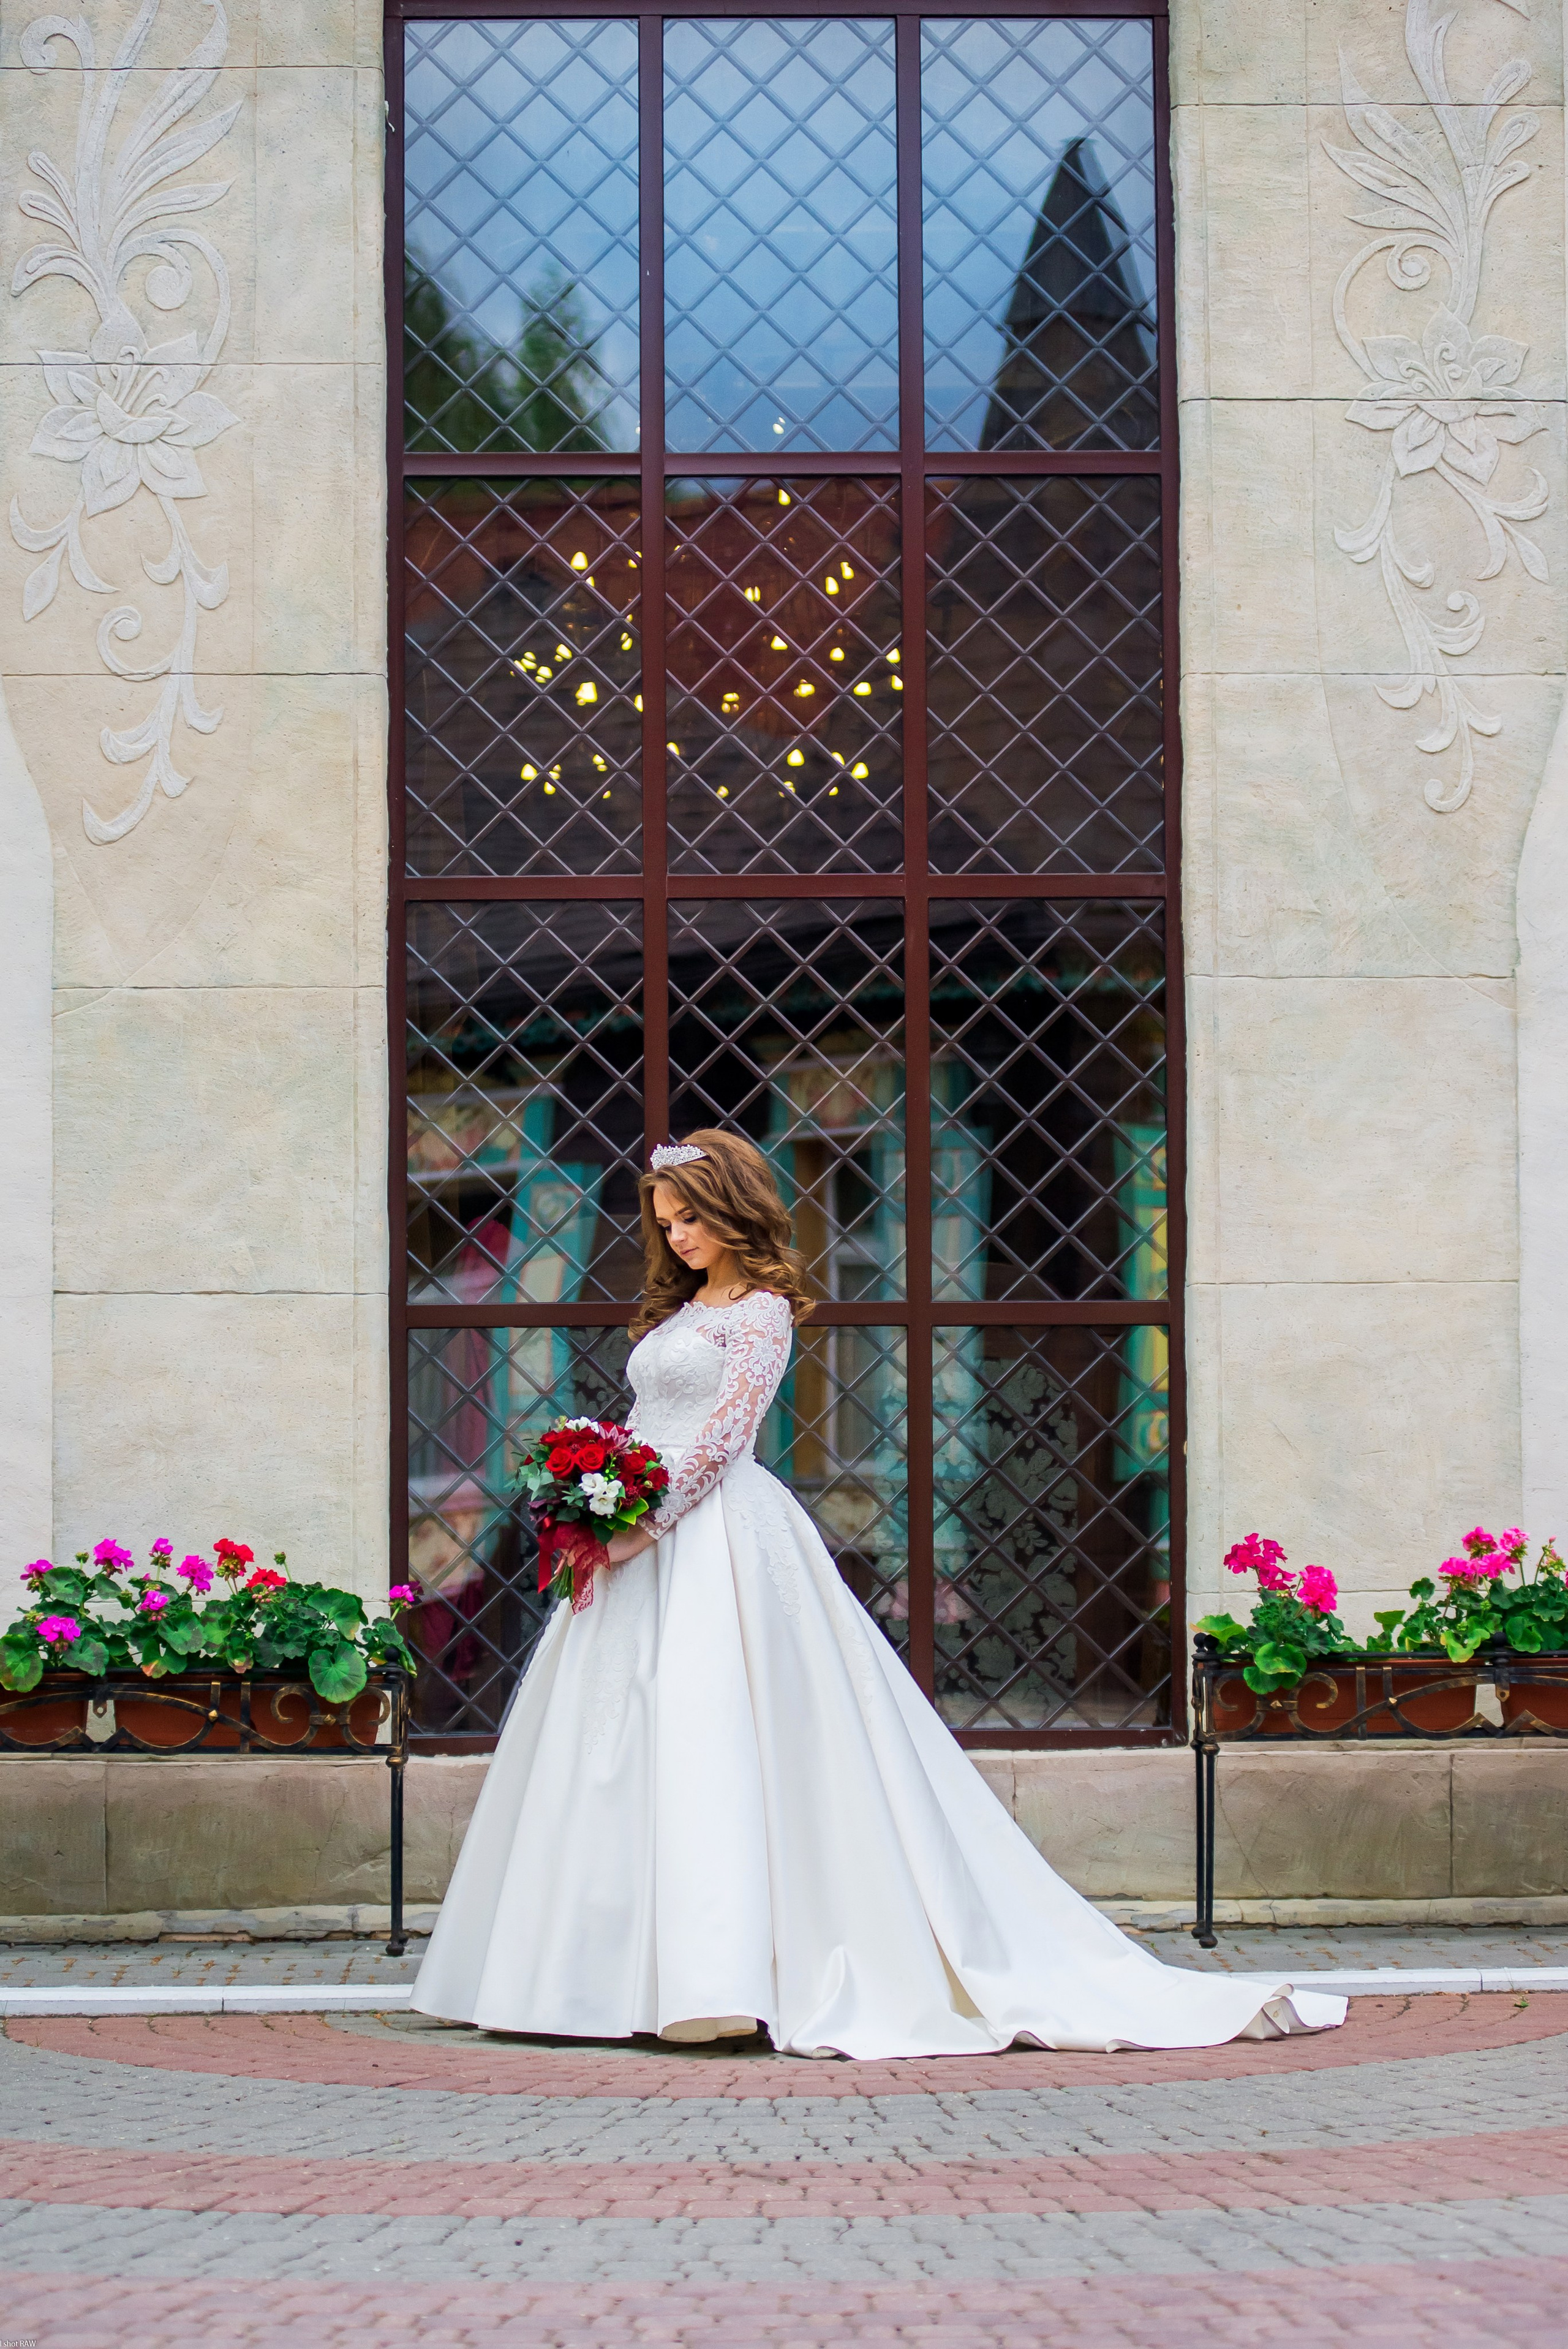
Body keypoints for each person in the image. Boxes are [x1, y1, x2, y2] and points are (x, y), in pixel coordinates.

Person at [413, 1130, 1345, 2056]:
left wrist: (634, 1527)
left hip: (710, 1539)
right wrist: (594, 1497)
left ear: (736, 1209)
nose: (679, 1235)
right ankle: (583, 1973)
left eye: (692, 1215)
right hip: (633, 1543)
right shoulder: (681, 1311)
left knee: (716, 1734)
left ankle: (722, 1976)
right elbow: (646, 1423)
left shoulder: (765, 1311)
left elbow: (721, 1440)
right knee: (613, 1741)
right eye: (667, 1220)